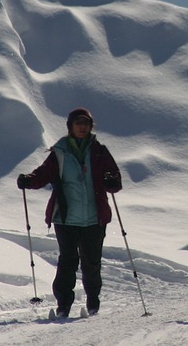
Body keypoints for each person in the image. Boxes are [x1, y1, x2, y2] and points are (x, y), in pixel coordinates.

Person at [18, 108, 123, 318]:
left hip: (94, 217)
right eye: (78, 123)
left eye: (85, 123)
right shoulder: (60, 152)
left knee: (91, 262)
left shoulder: (100, 151)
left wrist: (112, 181)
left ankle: (93, 301)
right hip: (66, 217)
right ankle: (63, 305)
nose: (82, 127)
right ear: (70, 126)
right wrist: (29, 179)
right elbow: (43, 174)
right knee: (67, 261)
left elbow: (115, 180)